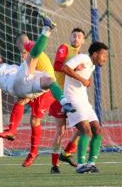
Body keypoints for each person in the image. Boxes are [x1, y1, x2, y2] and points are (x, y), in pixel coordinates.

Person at [0, 32, 58, 167]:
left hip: (45, 89)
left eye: (22, 48)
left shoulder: (34, 50)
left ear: (26, 42)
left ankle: (33, 152)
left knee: (35, 119)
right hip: (35, 85)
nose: (22, 52)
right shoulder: (26, 55)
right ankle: (12, 130)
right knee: (20, 100)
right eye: (20, 49)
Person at [62, 41, 109, 173]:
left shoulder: (92, 66)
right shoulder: (83, 58)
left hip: (84, 102)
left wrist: (85, 80)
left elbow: (84, 76)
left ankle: (91, 163)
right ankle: (81, 165)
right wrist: (82, 80)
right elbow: (65, 68)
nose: (105, 58)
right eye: (103, 55)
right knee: (86, 131)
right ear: (94, 54)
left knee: (97, 130)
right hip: (72, 100)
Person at [49, 28, 86, 174]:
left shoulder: (83, 57)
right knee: (61, 130)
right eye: (74, 35)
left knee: (84, 126)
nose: (76, 38)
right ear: (70, 38)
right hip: (60, 96)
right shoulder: (65, 47)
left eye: (79, 36)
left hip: (74, 96)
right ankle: (54, 165)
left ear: (83, 40)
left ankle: (67, 152)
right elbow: (57, 65)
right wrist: (75, 69)